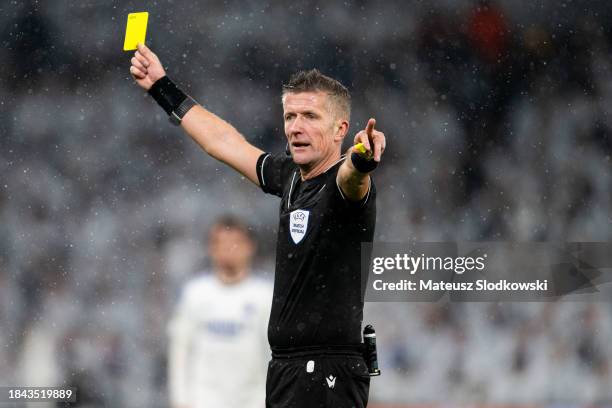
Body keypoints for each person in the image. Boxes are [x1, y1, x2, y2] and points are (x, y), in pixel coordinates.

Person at [130, 42, 386, 408]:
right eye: (290, 116)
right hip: (285, 370)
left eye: (310, 117)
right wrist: (161, 86)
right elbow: (224, 142)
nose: (296, 127)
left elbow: (352, 178)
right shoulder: (292, 178)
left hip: (328, 372)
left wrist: (362, 162)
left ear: (339, 128)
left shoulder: (342, 185)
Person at [167, 215, 272, 408]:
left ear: (250, 247)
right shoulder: (195, 294)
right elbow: (180, 350)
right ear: (211, 248)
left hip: (252, 400)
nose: (228, 249)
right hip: (204, 400)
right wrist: (180, 399)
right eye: (220, 243)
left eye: (235, 242)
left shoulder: (265, 296)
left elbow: (272, 352)